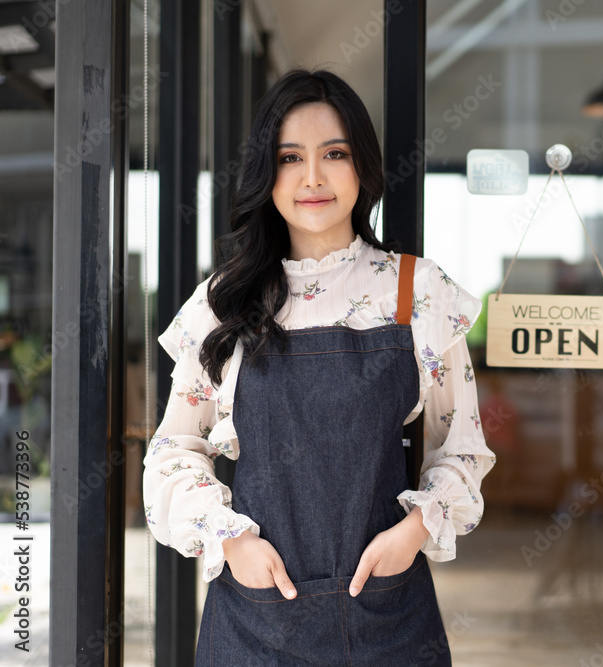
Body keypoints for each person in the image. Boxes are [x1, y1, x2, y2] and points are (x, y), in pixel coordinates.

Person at [142, 67, 495, 665]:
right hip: (256, 620)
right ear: (266, 173)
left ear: (364, 166)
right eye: (289, 157)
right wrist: (233, 540)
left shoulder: (416, 291)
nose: (312, 178)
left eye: (334, 153)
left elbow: (460, 451)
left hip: (388, 615)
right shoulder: (223, 301)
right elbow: (173, 450)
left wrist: (414, 532)